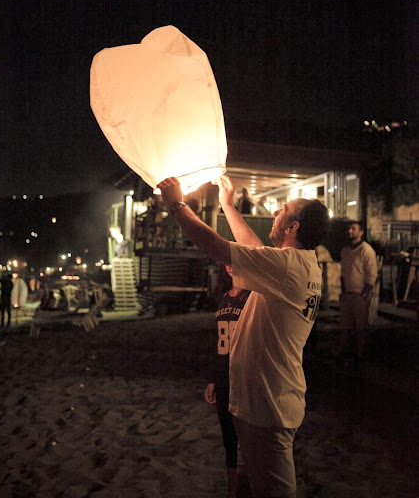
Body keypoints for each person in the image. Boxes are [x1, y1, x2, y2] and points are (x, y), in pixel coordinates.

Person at [157, 174, 330, 498]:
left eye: (283, 210)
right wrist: (226, 204)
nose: (277, 211)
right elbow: (251, 246)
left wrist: (178, 205)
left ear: (293, 227)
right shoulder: (300, 264)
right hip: (267, 402)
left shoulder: (290, 265)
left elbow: (217, 247)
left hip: (267, 407)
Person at [204, 263, 250, 498]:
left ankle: (250, 485)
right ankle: (233, 490)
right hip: (223, 378)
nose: (233, 265)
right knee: (229, 438)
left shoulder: (253, 299)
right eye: (229, 261)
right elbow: (217, 345)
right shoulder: (222, 300)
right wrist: (212, 378)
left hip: (246, 377)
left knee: (249, 437)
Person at [335, 221, 378, 364]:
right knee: (345, 325)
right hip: (348, 294)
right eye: (349, 228)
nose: (350, 231)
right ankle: (341, 352)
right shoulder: (345, 250)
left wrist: (364, 294)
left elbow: (372, 274)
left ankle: (360, 354)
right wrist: (343, 291)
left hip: (359, 295)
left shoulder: (366, 250)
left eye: (353, 229)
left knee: (360, 327)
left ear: (361, 233)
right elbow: (343, 272)